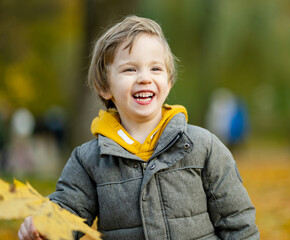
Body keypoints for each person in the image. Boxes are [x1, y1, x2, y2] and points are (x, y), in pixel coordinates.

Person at [18, 15, 259, 240]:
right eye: (130, 69)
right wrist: (45, 224)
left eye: (155, 69)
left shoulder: (203, 146)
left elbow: (237, 220)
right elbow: (67, 207)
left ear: (168, 81)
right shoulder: (89, 160)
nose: (144, 77)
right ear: (104, 86)